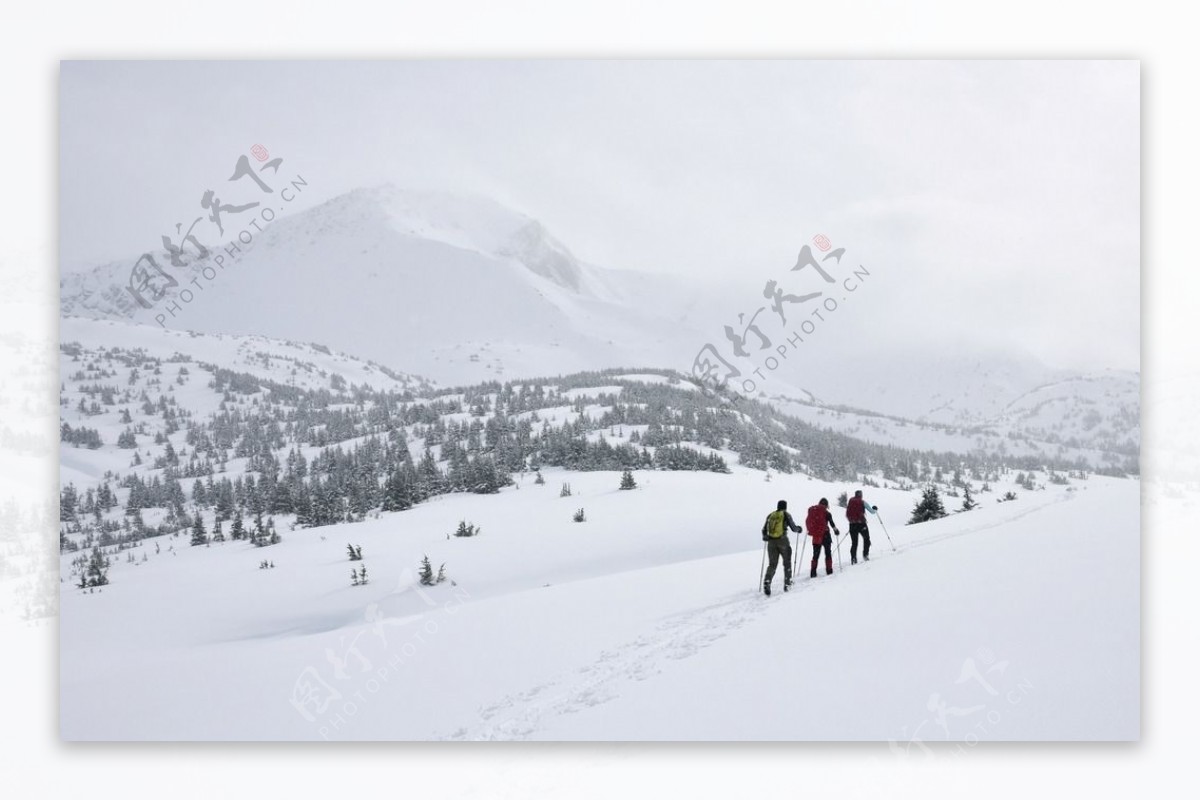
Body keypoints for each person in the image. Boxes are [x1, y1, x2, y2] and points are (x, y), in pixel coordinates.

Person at [761, 499, 802, 595]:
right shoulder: (786, 514)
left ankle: (767, 581)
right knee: (787, 563)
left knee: (772, 564)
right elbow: (793, 528)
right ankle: (787, 584)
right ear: (785, 506)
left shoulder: (770, 515)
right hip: (783, 541)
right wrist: (799, 529)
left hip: (771, 542)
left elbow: (763, 530)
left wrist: (765, 537)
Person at [805, 498, 841, 578]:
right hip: (825, 535)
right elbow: (831, 523)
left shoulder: (813, 510)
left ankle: (813, 572)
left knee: (815, 555)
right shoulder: (826, 513)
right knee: (828, 553)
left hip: (816, 536)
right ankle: (829, 570)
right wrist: (836, 530)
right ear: (826, 505)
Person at [845, 490, 878, 565]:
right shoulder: (862, 502)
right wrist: (875, 509)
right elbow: (872, 512)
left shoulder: (850, 501)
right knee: (866, 539)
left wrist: (853, 520)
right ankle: (865, 555)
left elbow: (847, 513)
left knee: (854, 543)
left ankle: (853, 558)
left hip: (852, 524)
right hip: (861, 524)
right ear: (861, 495)